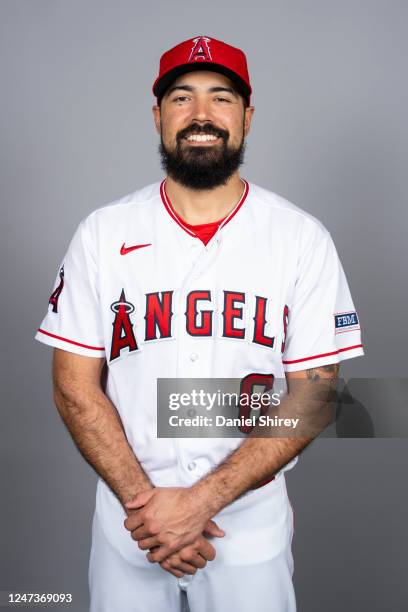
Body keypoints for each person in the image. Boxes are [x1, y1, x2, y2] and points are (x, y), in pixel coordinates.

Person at [35, 35, 364, 612]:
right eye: (182, 98)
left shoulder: (300, 238)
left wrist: (198, 503)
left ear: (247, 117)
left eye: (222, 98)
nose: (202, 116)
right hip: (131, 525)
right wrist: (150, 508)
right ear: (158, 116)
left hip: (246, 525)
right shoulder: (103, 233)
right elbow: (73, 386)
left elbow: (315, 395)